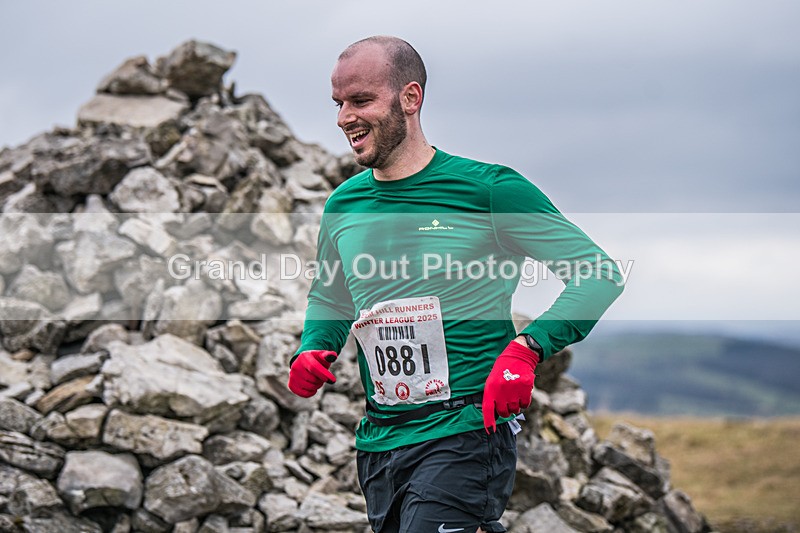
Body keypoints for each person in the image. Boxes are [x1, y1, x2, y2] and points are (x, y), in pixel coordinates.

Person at [287, 36, 624, 533]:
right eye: (338, 104)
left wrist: (526, 350)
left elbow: (598, 273)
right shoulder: (344, 205)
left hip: (466, 432)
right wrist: (314, 347)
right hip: (381, 439)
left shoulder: (489, 190)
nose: (344, 118)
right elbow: (331, 294)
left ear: (410, 97)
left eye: (361, 101)